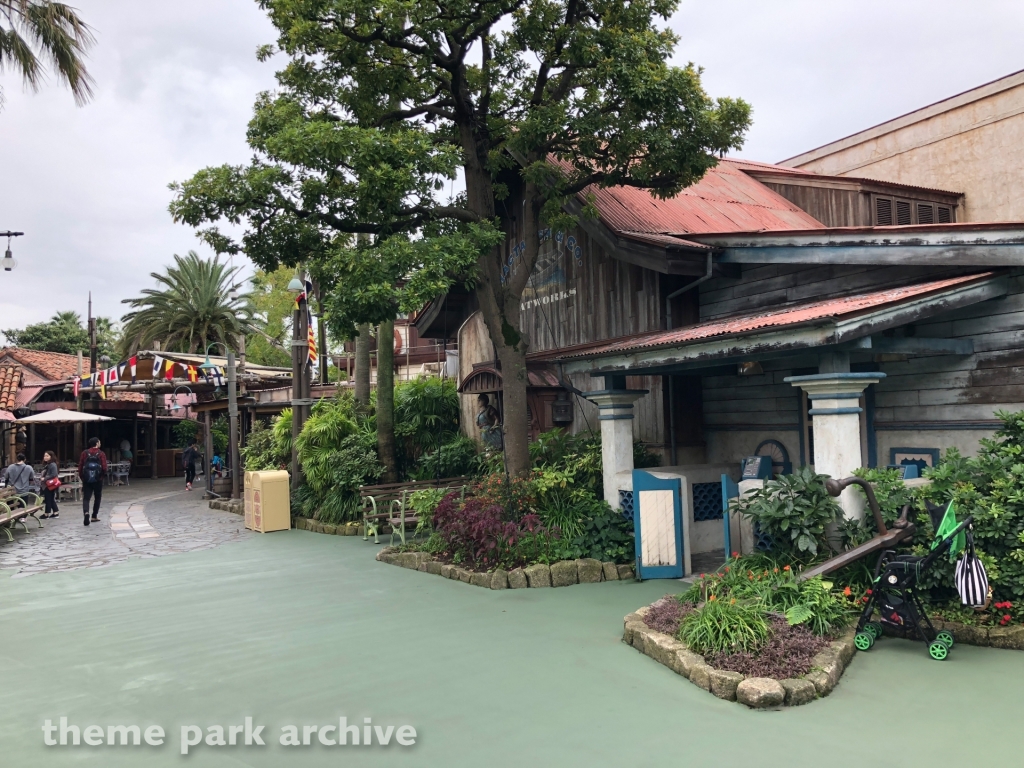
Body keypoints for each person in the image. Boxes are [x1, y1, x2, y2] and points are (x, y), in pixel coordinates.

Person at [78, 437, 108, 526]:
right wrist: (102, 476)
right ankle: (94, 516)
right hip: (98, 479)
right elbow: (104, 467)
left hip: (86, 479)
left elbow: (80, 466)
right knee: (97, 497)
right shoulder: (101, 453)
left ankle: (86, 512)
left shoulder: (84, 453)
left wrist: (82, 477)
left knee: (86, 498)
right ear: (97, 443)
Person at [40, 450, 60, 519]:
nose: (45, 457)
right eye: (45, 456)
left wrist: (44, 478)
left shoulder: (52, 464)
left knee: (48, 498)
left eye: (47, 456)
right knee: (51, 498)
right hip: (48, 484)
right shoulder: (48, 464)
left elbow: (54, 474)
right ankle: (55, 512)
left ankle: (46, 514)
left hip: (49, 484)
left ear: (51, 457)